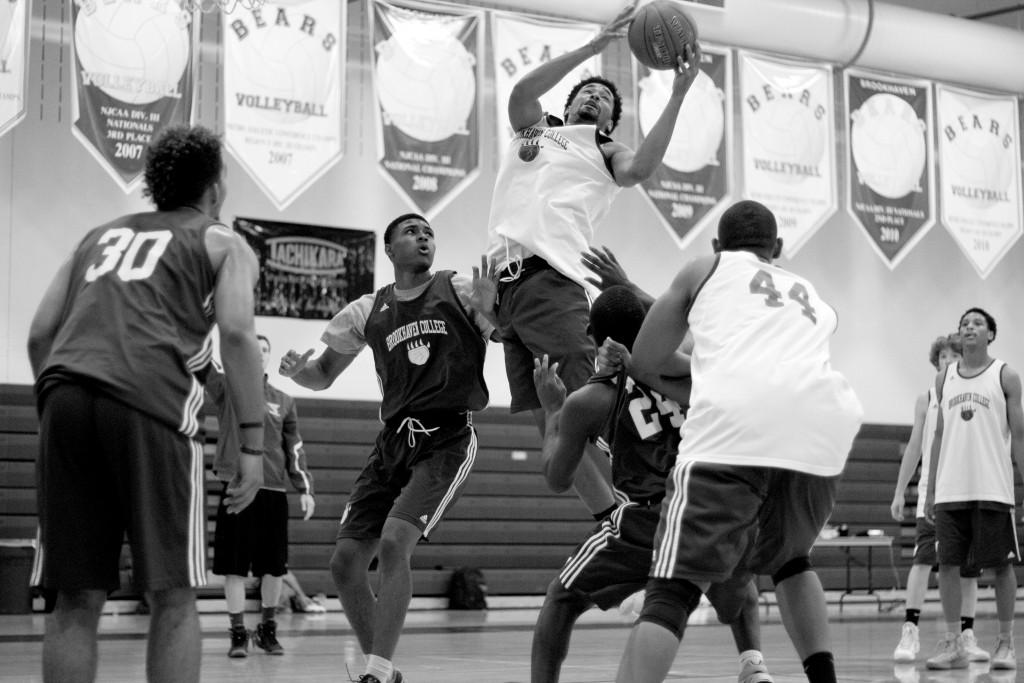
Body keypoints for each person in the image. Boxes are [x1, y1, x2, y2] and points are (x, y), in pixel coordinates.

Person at [26, 125, 266, 683]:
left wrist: (62, 407)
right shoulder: (222, 240)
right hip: (150, 405)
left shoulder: (97, 236)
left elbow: (40, 335)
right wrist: (251, 444)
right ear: (215, 184)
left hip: (63, 393)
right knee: (174, 595)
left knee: (75, 598)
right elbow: (236, 334)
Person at [615, 199, 864, 683]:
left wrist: (693, 377)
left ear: (716, 245)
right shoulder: (808, 291)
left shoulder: (705, 268)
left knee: (672, 589)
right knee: (792, 561)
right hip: (822, 428)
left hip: (735, 426)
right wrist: (706, 375)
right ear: (778, 248)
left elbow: (645, 360)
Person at [484, 1, 702, 518]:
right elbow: (520, 92)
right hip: (505, 286)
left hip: (550, 279)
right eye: (588, 91)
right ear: (571, 100)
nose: (595, 97)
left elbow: (642, 167)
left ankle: (662, 510)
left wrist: (677, 92)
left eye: (604, 99)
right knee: (554, 423)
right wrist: (591, 48)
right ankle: (612, 524)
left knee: (593, 408)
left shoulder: (604, 152)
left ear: (608, 121)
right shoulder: (534, 128)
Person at [279, 213, 496, 683]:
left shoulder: (459, 288)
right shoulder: (367, 310)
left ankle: (375, 672)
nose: (423, 237)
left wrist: (495, 313)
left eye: (429, 232)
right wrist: (300, 374)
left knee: (396, 540)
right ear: (390, 250)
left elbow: (503, 332)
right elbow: (323, 375)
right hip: (393, 441)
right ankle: (386, 670)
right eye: (411, 232)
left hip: (447, 439)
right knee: (344, 564)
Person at [531, 286, 773, 683]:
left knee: (562, 598)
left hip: (649, 520)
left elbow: (558, 479)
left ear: (590, 331)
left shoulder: (589, 399)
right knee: (731, 568)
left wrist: (554, 410)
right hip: (710, 502)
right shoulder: (687, 369)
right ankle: (753, 664)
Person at [923, 307, 1024, 671]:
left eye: (977, 323)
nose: (969, 327)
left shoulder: (1006, 375)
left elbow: (1020, 437)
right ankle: (952, 642)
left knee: (1000, 568)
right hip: (951, 488)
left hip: (992, 487)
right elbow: (937, 436)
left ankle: (1005, 642)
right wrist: (931, 488)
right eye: (964, 323)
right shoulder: (944, 378)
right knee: (947, 565)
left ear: (991, 334)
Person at [207, 333, 316, 658]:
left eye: (265, 349)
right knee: (234, 568)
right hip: (238, 489)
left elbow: (294, 448)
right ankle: (238, 633)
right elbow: (204, 361)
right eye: (254, 348)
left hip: (273, 493)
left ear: (269, 357)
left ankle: (268, 630)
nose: (260, 353)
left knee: (274, 568)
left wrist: (305, 489)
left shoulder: (283, 400)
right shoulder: (228, 388)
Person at [889, 333, 987, 663]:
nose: (947, 361)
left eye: (953, 356)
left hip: (969, 490)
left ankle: (967, 634)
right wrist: (901, 490)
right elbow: (915, 446)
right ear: (936, 362)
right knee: (922, 560)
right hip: (934, 493)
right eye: (942, 357)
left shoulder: (975, 396)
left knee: (969, 569)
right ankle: (910, 631)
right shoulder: (927, 397)